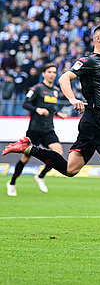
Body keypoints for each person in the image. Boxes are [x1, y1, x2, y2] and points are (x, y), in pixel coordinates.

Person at [2, 24, 100, 229]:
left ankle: (29, 148)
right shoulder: (89, 60)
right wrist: (72, 98)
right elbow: (64, 77)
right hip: (97, 121)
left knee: (70, 169)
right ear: (98, 39)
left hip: (95, 118)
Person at [7, 64, 66, 196]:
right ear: (44, 73)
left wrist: (57, 113)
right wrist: (37, 109)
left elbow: (50, 107)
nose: (52, 74)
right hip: (34, 130)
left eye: (54, 72)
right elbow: (25, 103)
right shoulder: (36, 89)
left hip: (49, 129)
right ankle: (12, 183)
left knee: (58, 153)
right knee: (25, 159)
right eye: (49, 72)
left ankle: (40, 176)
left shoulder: (55, 90)